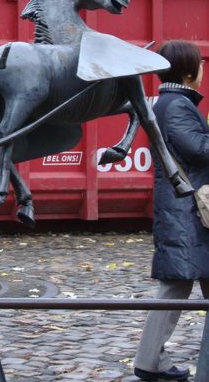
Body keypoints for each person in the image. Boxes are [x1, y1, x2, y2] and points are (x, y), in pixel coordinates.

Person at [134, 40, 209, 382]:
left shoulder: (169, 103)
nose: (203, 70)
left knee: (176, 287)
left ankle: (150, 361)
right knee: (174, 287)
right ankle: (148, 361)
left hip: (184, 209)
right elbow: (198, 150)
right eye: (200, 65)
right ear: (189, 72)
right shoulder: (176, 105)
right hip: (188, 212)